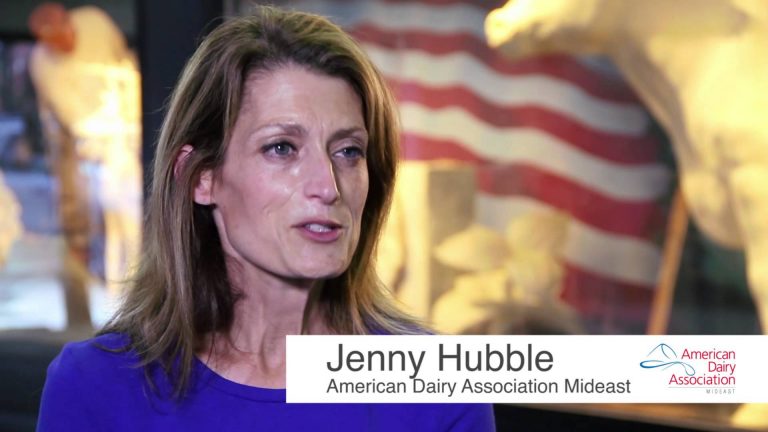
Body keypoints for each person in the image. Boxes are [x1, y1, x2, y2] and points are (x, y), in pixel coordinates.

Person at [36, 6, 495, 431]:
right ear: (201, 177)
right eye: (282, 148)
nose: (328, 186)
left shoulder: (438, 388)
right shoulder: (95, 386)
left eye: (348, 151)